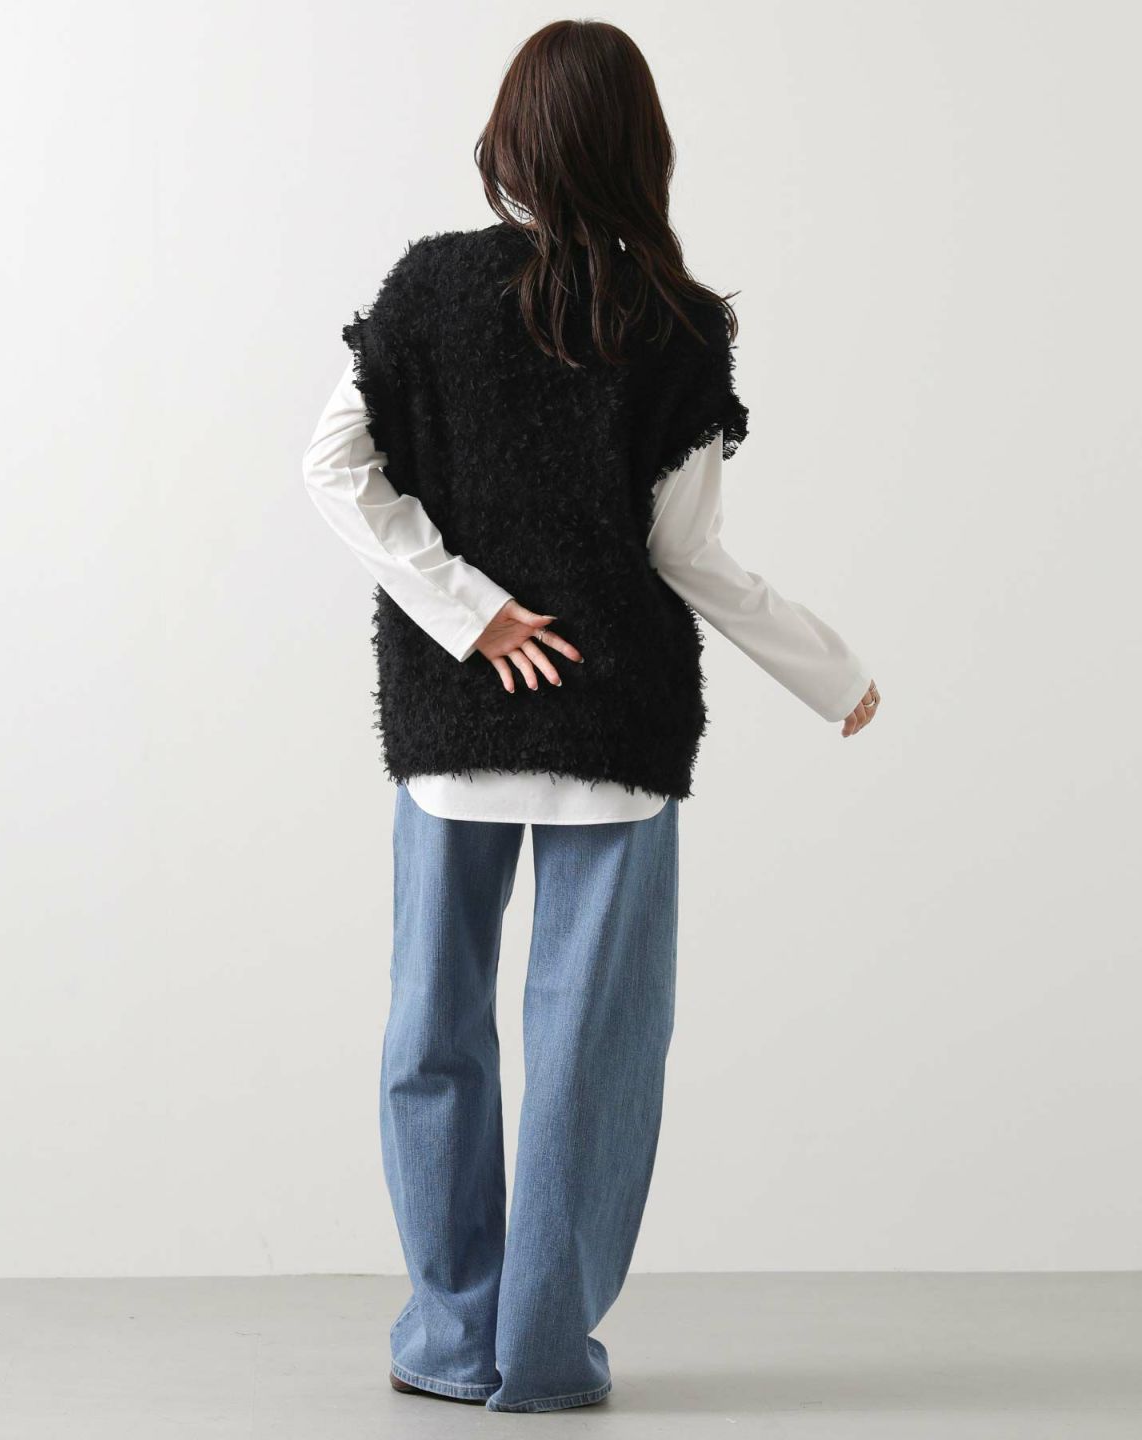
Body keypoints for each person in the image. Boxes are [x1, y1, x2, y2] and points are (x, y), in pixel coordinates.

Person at [302, 18, 879, 1415]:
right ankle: (546, 1352)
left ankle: (451, 1340)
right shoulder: (674, 323)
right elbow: (689, 558)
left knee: (432, 1032)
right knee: (589, 1056)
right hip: (615, 731)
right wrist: (831, 671)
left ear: (511, 138)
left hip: (455, 728)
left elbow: (333, 471)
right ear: (641, 147)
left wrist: (469, 612)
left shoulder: (432, 290)